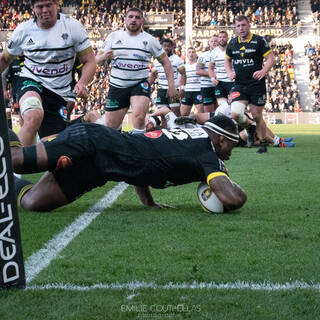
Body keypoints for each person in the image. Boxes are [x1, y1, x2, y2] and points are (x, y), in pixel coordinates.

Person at [10, 116, 246, 213]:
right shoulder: (208, 154)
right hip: (96, 144)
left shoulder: (191, 132)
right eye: (231, 147)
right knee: (16, 160)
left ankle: (8, 183)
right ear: (222, 140)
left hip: (98, 169)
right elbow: (231, 199)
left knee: (33, 203)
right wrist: (236, 187)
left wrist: (149, 202)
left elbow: (148, 159)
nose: (230, 155)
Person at [0, 0, 96, 146]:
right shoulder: (23, 30)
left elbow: (89, 61)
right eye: (40, 6)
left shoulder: (73, 27)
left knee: (53, 146)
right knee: (33, 115)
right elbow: (4, 59)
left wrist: (82, 82)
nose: (44, 10)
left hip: (59, 92)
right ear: (32, 8)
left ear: (56, 4)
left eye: (48, 5)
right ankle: (14, 166)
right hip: (30, 80)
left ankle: (37, 162)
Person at [96, 7, 177, 134]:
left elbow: (166, 62)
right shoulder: (113, 37)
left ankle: (139, 148)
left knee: (139, 117)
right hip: (117, 86)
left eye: (137, 17)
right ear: (125, 19)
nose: (133, 20)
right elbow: (96, 61)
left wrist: (171, 86)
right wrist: (103, 57)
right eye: (131, 17)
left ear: (142, 21)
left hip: (139, 84)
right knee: (111, 126)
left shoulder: (150, 40)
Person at [225, 15, 275, 153]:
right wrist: (229, 72)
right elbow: (227, 60)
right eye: (238, 26)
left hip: (256, 85)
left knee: (257, 115)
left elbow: (271, 58)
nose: (241, 28)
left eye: (243, 25)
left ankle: (263, 143)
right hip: (240, 84)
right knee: (235, 114)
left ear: (249, 25)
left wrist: (263, 70)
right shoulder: (233, 43)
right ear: (235, 28)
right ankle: (249, 128)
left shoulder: (259, 41)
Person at [149, 38, 186, 116]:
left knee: (176, 112)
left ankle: (177, 128)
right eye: (164, 46)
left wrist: (182, 88)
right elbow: (153, 75)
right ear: (161, 47)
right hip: (161, 90)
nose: (166, 48)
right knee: (162, 113)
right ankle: (164, 128)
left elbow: (183, 74)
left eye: (168, 46)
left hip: (174, 89)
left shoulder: (177, 60)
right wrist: (147, 87)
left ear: (172, 47)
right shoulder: (156, 61)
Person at [208, 31, 234, 108]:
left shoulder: (232, 49)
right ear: (218, 39)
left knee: (233, 105)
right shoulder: (214, 52)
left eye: (224, 37)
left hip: (231, 81)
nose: (222, 39)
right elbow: (210, 68)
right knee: (222, 106)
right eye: (220, 37)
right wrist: (212, 78)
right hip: (220, 83)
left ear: (227, 38)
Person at [196, 36, 218, 113]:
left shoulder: (224, 54)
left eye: (216, 41)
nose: (214, 42)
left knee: (220, 110)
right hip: (207, 86)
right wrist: (212, 74)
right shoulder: (203, 55)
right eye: (212, 41)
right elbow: (198, 71)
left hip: (220, 85)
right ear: (209, 43)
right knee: (209, 112)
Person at [180, 47, 203, 116]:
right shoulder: (184, 66)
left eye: (193, 52)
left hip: (198, 91)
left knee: (200, 114)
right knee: (183, 114)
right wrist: (181, 89)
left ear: (196, 54)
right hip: (187, 92)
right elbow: (181, 79)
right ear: (186, 55)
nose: (191, 54)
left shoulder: (199, 65)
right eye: (189, 52)